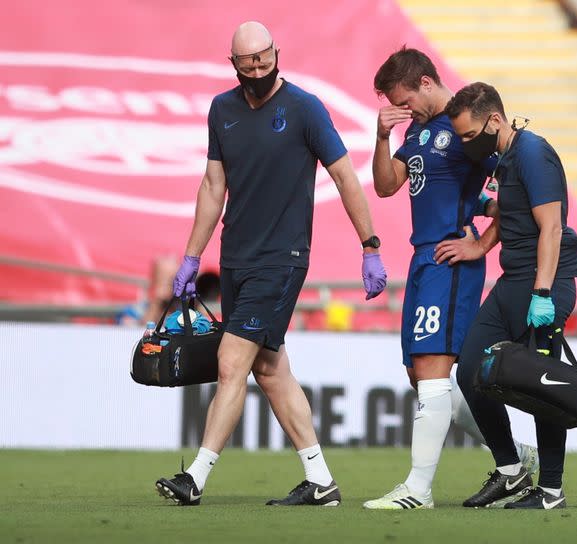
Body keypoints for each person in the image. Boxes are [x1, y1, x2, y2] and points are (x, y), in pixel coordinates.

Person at [155, 21, 387, 507]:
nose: (258, 69)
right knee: (270, 368)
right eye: (248, 62)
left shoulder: (304, 108)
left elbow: (345, 176)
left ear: (277, 54)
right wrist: (192, 255)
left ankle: (194, 477)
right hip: (236, 257)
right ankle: (321, 480)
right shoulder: (222, 110)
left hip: (282, 259)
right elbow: (212, 187)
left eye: (264, 58)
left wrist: (369, 245)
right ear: (233, 64)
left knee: (232, 360)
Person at [362, 48, 537, 510]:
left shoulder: (464, 128)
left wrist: (480, 244)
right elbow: (385, 186)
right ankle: (514, 460)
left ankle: (418, 490)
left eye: (404, 100)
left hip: (450, 258)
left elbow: (505, 196)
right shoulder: (417, 130)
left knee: (434, 372)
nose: (404, 110)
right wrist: (382, 136)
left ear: (423, 82)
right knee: (419, 375)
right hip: (423, 259)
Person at [445, 82, 577, 509]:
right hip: (512, 283)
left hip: (543, 285)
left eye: (470, 135)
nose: (469, 145)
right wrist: (481, 246)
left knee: (543, 386)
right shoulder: (507, 159)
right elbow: (510, 213)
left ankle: (551, 491)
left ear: (494, 120)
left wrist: (542, 292)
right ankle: (510, 471)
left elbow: (552, 227)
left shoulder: (532, 154)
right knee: (471, 368)